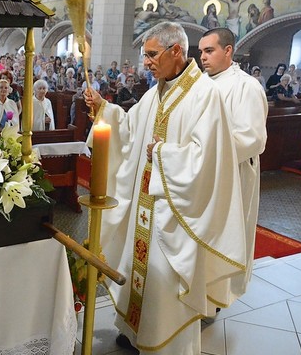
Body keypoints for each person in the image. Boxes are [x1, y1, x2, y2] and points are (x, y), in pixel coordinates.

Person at [84, 21, 245, 355]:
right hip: (145, 210)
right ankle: (134, 330)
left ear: (176, 51)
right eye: (145, 55)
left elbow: (207, 161)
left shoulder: (205, 96)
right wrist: (104, 108)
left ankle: (167, 346)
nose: (146, 62)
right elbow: (130, 130)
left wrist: (161, 153)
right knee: (140, 274)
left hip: (174, 216)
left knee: (166, 284)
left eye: (152, 54)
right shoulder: (156, 90)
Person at [198, 27, 268, 301]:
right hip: (199, 173)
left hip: (231, 176)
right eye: (201, 51)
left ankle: (216, 298)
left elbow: (252, 138)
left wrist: (205, 151)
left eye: (209, 50)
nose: (203, 57)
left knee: (221, 238)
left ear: (228, 51)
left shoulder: (245, 86)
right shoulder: (199, 84)